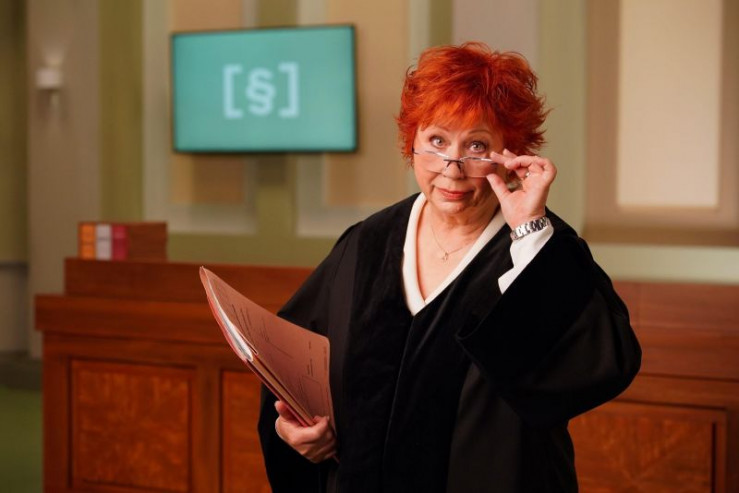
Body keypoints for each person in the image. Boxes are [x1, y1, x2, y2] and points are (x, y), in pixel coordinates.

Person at [257, 42, 641, 493]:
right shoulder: (368, 243)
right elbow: (293, 363)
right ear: (412, 142)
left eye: (477, 145)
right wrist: (296, 429)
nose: (452, 169)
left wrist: (529, 230)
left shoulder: (538, 247)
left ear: (510, 153)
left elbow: (599, 364)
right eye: (437, 141)